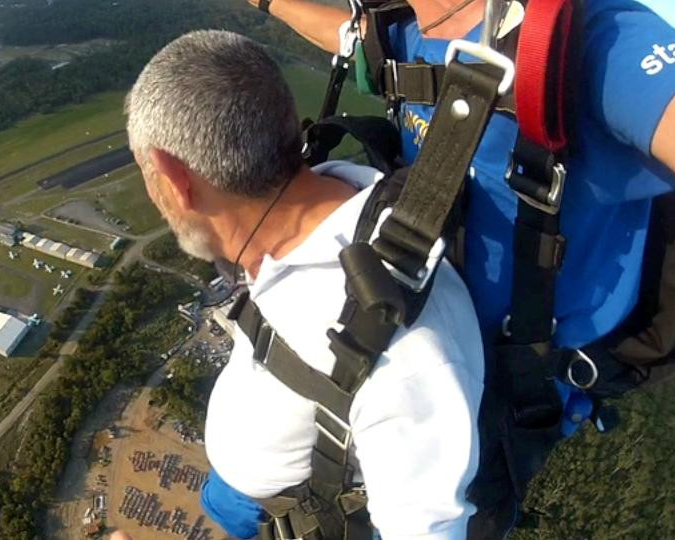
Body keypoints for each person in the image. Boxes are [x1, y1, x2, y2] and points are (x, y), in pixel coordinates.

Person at [249, 0, 675, 513]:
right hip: (413, 338)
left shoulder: (592, 42)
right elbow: (345, 35)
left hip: (500, 396)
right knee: (249, 488)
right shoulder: (404, 32)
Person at [125, 30, 489, 539]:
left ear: (173, 178)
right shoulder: (306, 211)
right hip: (249, 486)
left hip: (304, 511)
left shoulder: (403, 349)